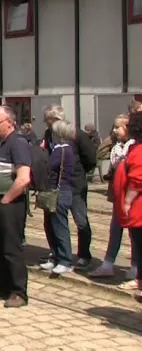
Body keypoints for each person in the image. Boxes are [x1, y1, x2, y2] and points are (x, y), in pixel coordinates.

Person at [0, 105, 31, 308]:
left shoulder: (18, 144)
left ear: (10, 122)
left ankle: (19, 292)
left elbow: (23, 178)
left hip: (10, 203)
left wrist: (6, 199)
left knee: (11, 248)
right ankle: (1, 285)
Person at [89, 114, 138, 287]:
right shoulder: (117, 145)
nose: (115, 130)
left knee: (134, 234)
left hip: (131, 197)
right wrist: (111, 138)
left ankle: (135, 266)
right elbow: (100, 152)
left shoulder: (134, 147)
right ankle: (108, 264)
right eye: (114, 127)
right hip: (117, 195)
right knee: (115, 229)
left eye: (118, 127)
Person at [39, 119, 78, 275]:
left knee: (59, 227)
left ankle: (65, 260)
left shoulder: (62, 150)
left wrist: (41, 152)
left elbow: (47, 166)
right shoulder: (62, 149)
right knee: (50, 225)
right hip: (56, 191)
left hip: (60, 192)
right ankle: (55, 256)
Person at [111, 111, 142, 300]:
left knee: (140, 243)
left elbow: (138, 180)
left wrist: (128, 201)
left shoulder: (139, 150)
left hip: (139, 206)